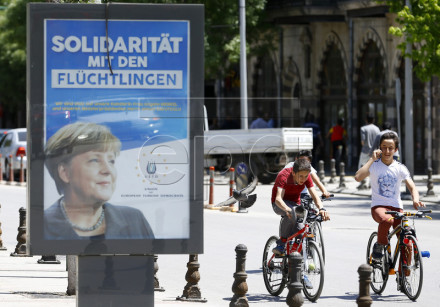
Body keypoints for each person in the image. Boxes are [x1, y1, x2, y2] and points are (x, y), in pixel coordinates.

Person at [44, 122, 154, 240]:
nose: (108, 170)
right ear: (65, 172)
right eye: (95, 160)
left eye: (111, 161)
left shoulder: (135, 220)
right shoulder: (41, 226)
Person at [354, 132, 424, 261]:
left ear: (395, 150)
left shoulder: (400, 168)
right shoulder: (374, 165)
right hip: (379, 207)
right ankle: (380, 245)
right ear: (379, 148)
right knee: (387, 220)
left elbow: (412, 187)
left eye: (390, 148)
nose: (387, 151)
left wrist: (416, 200)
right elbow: (358, 177)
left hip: (397, 208)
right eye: (384, 147)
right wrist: (371, 159)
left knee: (407, 241)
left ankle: (405, 276)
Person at [271, 158, 330, 258]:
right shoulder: (284, 175)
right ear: (293, 173)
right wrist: (287, 209)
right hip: (279, 204)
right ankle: (282, 243)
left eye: (306, 176)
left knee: (300, 231)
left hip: (295, 203)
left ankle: (297, 267)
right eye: (301, 176)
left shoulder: (307, 178)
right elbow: (278, 199)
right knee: (292, 213)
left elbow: (315, 195)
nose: (303, 179)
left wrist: (321, 209)